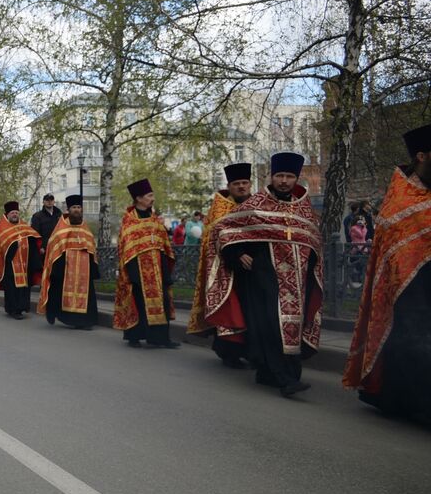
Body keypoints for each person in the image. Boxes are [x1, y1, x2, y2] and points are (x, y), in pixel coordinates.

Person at [206, 153, 322, 397]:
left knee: (292, 326)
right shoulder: (256, 203)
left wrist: (311, 267)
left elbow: (313, 239)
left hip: (298, 281)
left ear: (296, 178)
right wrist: (238, 254)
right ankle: (286, 379)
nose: (284, 181)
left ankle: (269, 374)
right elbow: (224, 230)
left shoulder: (303, 207)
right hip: (263, 277)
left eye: (289, 176)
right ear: (271, 176)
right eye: (279, 176)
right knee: (271, 326)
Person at [344, 124, 431, 421]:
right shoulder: (401, 198)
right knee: (413, 343)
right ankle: (416, 406)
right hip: (409, 288)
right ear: (422, 156)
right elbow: (394, 247)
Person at [188, 163, 253, 368]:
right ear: (229, 186)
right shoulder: (220, 208)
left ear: (250, 184)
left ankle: (251, 352)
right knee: (231, 311)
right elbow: (212, 238)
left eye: (244, 183)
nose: (241, 186)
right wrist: (235, 254)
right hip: (226, 268)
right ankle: (229, 354)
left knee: (251, 312)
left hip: (253, 268)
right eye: (236, 183)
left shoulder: (257, 205)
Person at [114, 179, 179, 348]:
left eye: (152, 195)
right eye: (149, 195)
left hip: (158, 270)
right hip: (137, 272)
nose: (153, 198)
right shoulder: (129, 222)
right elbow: (126, 250)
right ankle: (134, 336)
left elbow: (164, 247)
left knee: (162, 302)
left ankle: (161, 338)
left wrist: (166, 272)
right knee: (138, 302)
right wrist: (133, 275)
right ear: (139, 198)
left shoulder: (156, 220)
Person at [37, 195, 98, 329]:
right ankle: (57, 314)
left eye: (78, 207)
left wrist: (93, 266)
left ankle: (84, 321)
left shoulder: (85, 228)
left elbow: (91, 247)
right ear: (68, 210)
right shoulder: (61, 227)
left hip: (84, 269)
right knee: (58, 290)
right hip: (65, 267)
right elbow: (54, 245)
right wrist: (58, 267)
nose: (76, 210)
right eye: (74, 207)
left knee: (86, 293)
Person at [0, 201, 41, 320]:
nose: (15, 214)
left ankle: (22, 307)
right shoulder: (2, 229)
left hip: (25, 265)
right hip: (10, 266)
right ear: (7, 214)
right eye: (12, 213)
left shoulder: (25, 227)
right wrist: (14, 246)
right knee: (12, 288)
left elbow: (33, 241)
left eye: (16, 212)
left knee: (24, 288)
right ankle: (13, 310)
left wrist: (35, 261)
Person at [28, 193, 62, 281]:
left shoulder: (59, 215)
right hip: (45, 250)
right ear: (43, 202)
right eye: (47, 200)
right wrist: (41, 247)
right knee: (46, 273)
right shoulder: (38, 216)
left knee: (58, 273)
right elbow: (34, 234)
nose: (49, 202)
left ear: (54, 201)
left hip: (58, 248)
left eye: (51, 200)